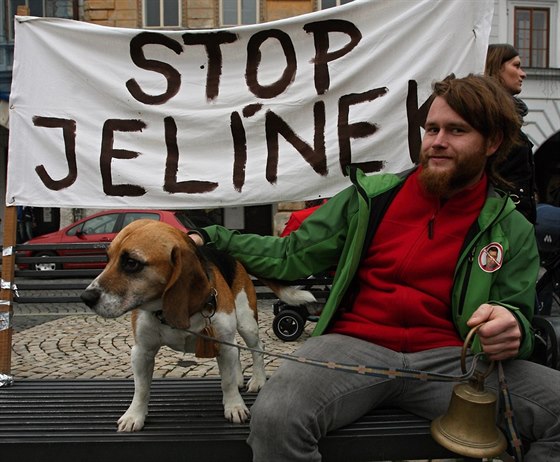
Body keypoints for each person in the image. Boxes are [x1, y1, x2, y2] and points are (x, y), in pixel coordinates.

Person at [189, 75, 560, 461]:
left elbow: (520, 315)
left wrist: (512, 327)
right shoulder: (374, 197)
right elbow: (289, 255)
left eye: (456, 130)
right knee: (275, 418)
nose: (437, 141)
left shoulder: (509, 226)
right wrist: (211, 238)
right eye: (431, 128)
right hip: (353, 348)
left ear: (492, 142)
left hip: (455, 363)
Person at [485, 43, 536, 224]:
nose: (523, 73)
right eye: (516, 65)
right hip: (499, 227)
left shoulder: (509, 117)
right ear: (497, 68)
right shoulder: (489, 117)